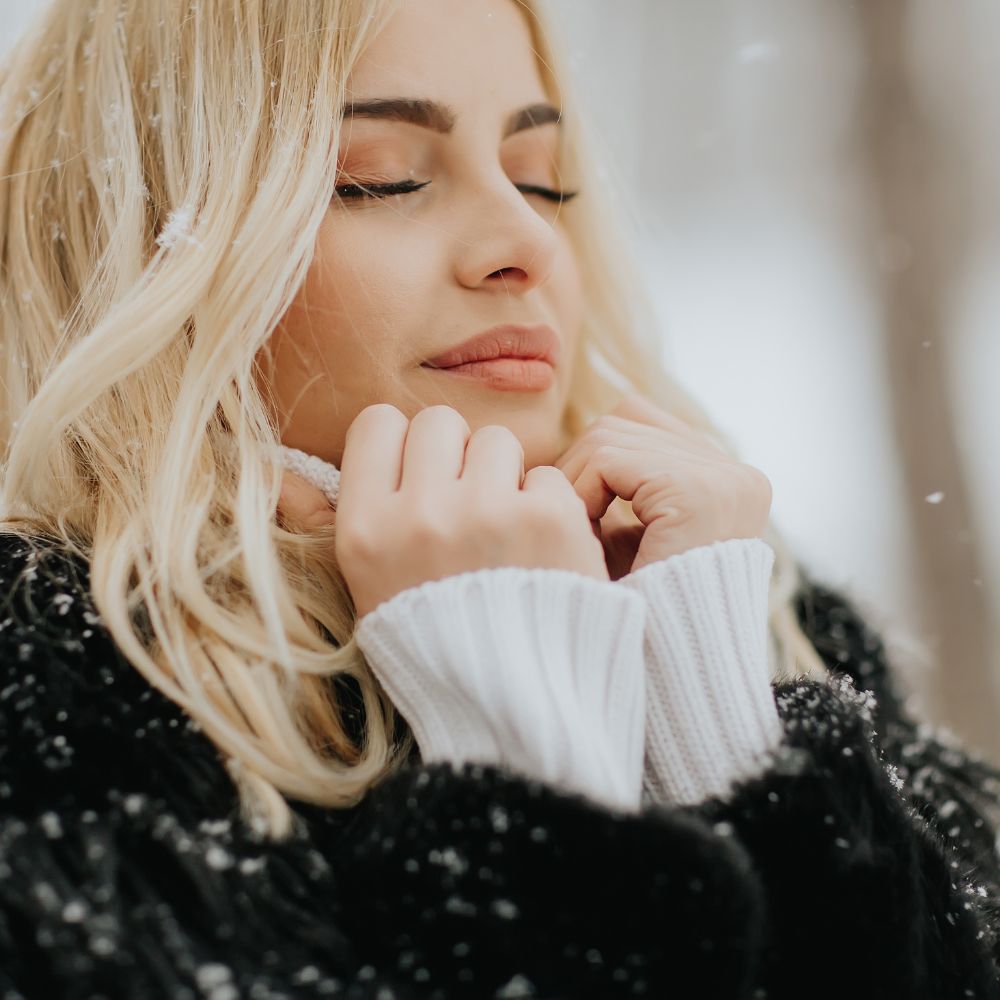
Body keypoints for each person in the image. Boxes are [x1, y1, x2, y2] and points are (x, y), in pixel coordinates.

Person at [1, 0, 999, 997]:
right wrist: (527, 779)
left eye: (539, 178)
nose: (526, 240)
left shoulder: (773, 629)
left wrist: (722, 736)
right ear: (147, 246)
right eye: (380, 177)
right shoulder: (51, 707)